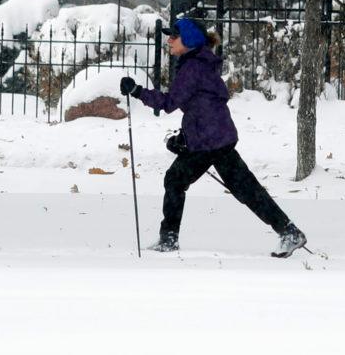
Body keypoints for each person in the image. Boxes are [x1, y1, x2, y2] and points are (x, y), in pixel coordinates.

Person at [120, 17, 307, 257]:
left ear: (188, 40)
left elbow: (168, 103)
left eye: (173, 36)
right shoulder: (199, 63)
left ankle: (169, 239)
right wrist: (185, 138)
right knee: (241, 188)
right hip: (216, 137)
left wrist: (137, 91)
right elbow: (202, 106)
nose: (169, 40)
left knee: (178, 180)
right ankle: (288, 231)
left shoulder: (193, 67)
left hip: (210, 141)